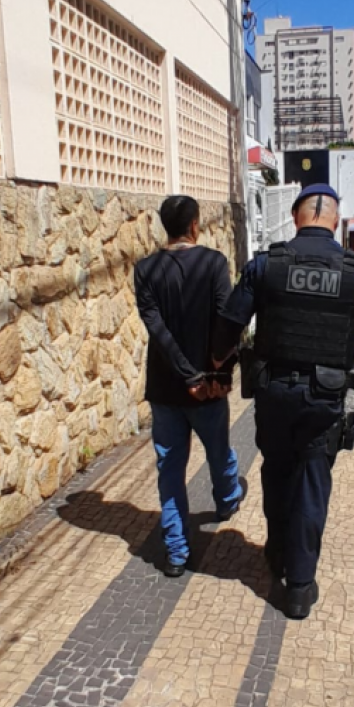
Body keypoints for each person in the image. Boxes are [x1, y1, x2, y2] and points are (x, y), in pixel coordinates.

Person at [213, 184, 354, 620]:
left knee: (276, 470)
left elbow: (228, 326)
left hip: (273, 392)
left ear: (296, 217)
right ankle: (299, 586)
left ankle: (276, 553)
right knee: (312, 479)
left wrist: (218, 361)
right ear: (335, 219)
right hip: (324, 398)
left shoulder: (267, 265)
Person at [134, 195, 244, 579]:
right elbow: (225, 322)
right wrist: (217, 374)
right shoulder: (214, 263)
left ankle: (177, 552)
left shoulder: (145, 269)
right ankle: (228, 500)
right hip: (208, 388)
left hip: (166, 389)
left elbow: (158, 331)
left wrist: (185, 375)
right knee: (219, 453)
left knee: (169, 469)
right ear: (195, 225)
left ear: (166, 226)